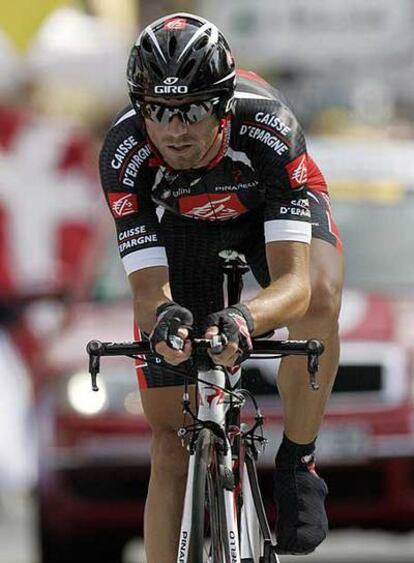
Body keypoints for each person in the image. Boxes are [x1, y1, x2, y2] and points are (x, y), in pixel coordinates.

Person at [99, 13, 344, 562]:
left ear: (225, 104)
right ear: (140, 108)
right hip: (182, 231)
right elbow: (147, 292)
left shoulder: (269, 127)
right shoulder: (124, 152)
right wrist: (165, 320)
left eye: (194, 110)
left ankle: (297, 460)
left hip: (262, 214)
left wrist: (244, 320)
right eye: (159, 112)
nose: (176, 129)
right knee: (167, 443)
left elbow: (294, 285)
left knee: (323, 298)